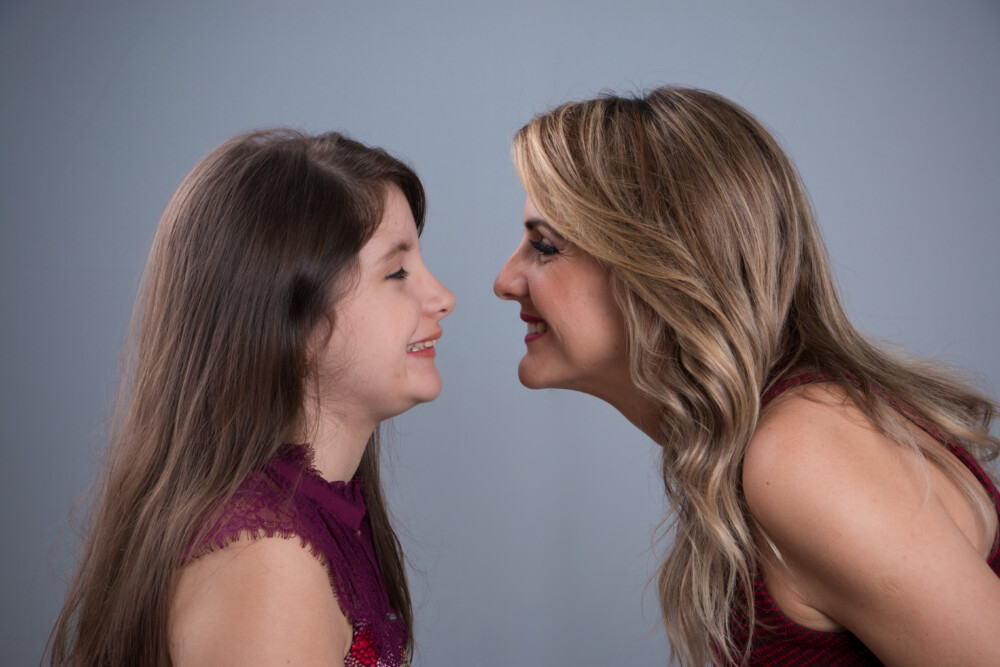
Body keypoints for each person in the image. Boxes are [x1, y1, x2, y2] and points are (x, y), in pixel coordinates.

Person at [494, 86, 1000, 666]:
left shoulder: (803, 454)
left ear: (663, 266)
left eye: (544, 247)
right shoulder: (773, 439)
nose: (504, 281)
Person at [47, 129, 454, 666]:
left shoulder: (315, 521)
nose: (443, 298)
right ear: (292, 320)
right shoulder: (266, 566)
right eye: (397, 271)